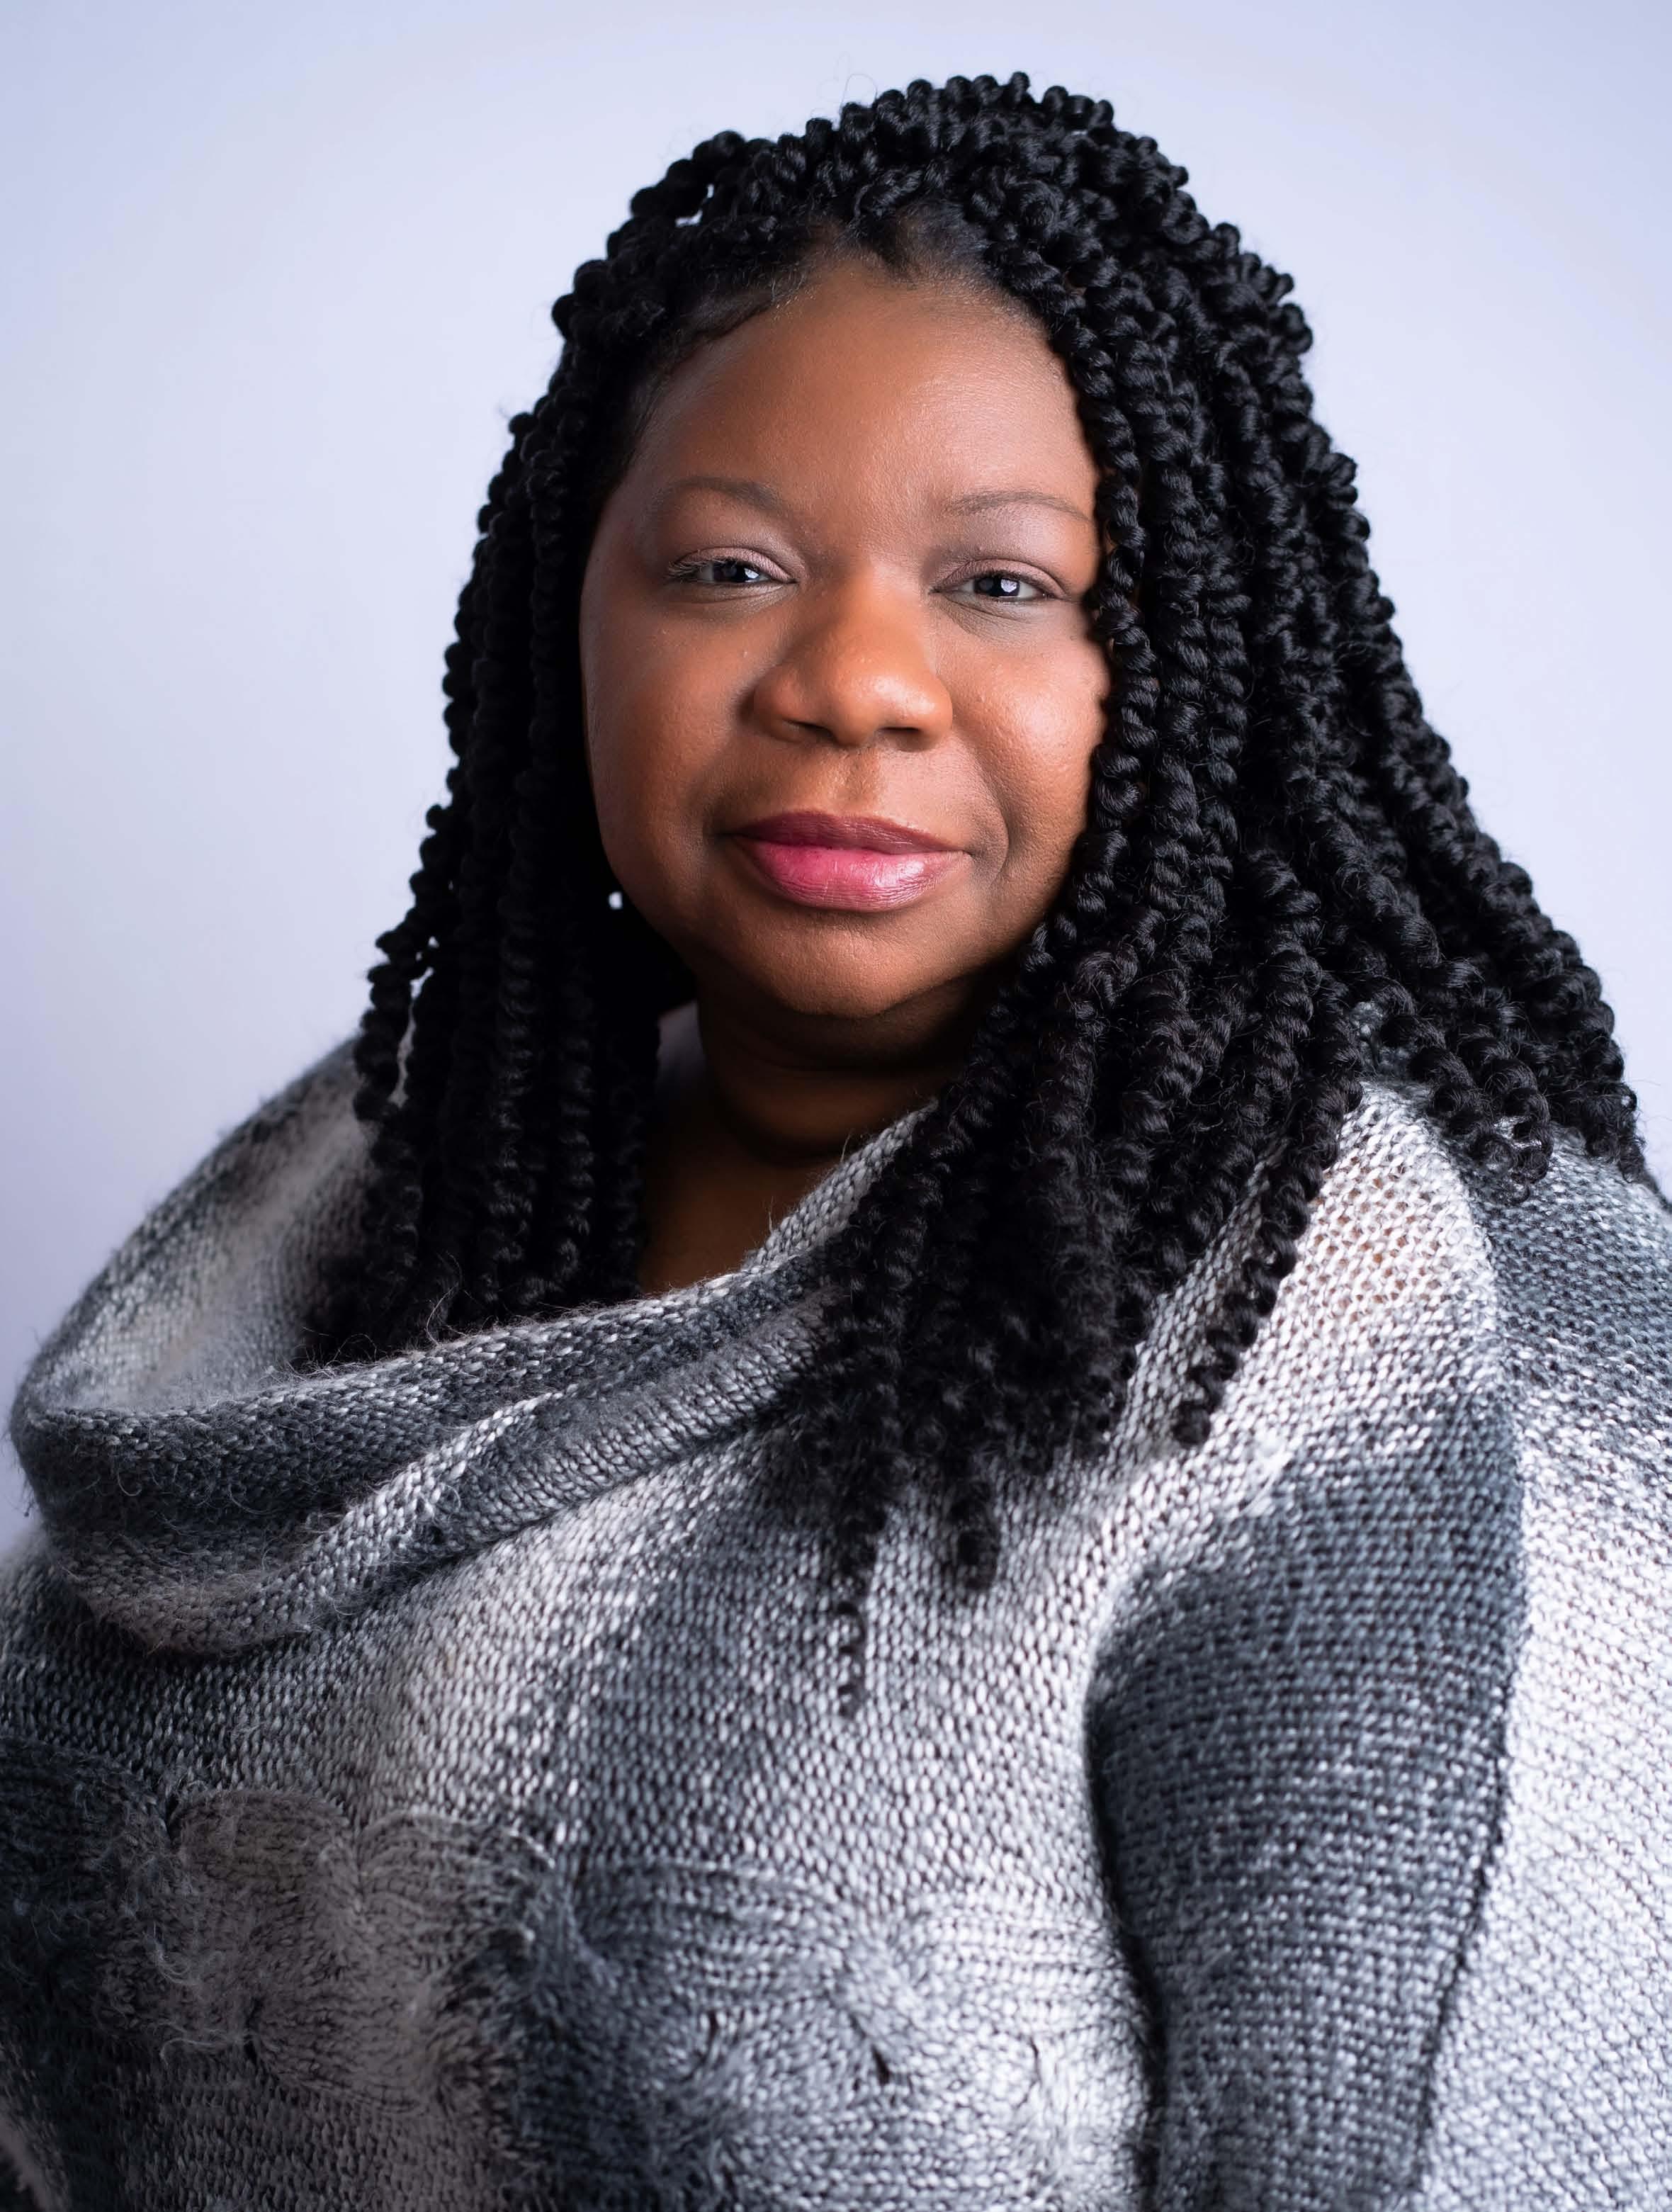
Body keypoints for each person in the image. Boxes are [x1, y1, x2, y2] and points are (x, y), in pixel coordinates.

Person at [2, 71, 1667, 2211]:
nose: (857, 680)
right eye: (731, 565)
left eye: (1003, 582)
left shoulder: (1382, 1336)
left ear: (1199, 654)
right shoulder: (357, 1214)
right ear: (562, 615)